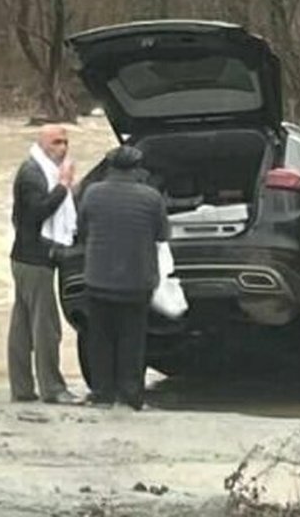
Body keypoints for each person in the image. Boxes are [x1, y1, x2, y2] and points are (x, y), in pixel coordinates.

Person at [76, 145, 169, 410]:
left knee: (100, 339)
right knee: (132, 340)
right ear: (137, 169)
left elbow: (82, 229)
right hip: (136, 281)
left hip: (98, 279)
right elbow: (162, 235)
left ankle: (102, 394)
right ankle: (130, 396)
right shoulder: (151, 197)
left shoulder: (92, 193)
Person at [8, 123, 79, 404]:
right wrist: (63, 186)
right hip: (34, 259)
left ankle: (23, 388)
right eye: (56, 143)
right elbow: (37, 212)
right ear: (42, 144)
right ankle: (53, 389)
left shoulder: (39, 170)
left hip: (25, 256)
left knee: (23, 327)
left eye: (65, 143)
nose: (62, 149)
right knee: (45, 327)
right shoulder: (32, 174)